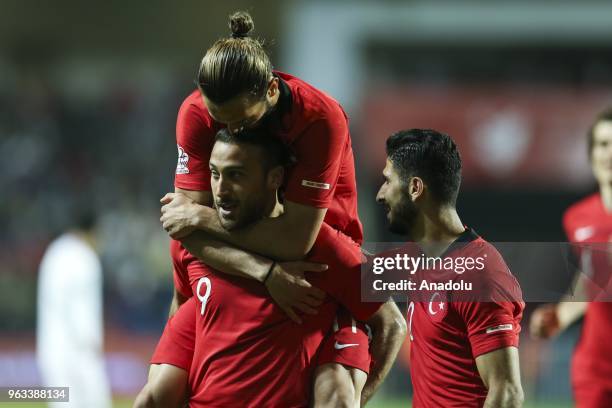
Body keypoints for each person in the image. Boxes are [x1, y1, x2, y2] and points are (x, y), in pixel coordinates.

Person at [158, 10, 382, 404]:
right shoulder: (195, 114)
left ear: (272, 92)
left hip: (320, 266)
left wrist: (202, 215)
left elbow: (295, 239)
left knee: (336, 395)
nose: (234, 131)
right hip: (247, 260)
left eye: (243, 120)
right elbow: (183, 231)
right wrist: (265, 272)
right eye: (219, 119)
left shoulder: (320, 119)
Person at [135, 128, 406, 407]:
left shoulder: (321, 247)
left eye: (236, 175)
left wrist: (359, 400)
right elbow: (182, 310)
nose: (221, 190)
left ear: (274, 178)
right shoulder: (195, 240)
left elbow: (392, 323)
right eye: (215, 174)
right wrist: (266, 273)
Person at [375, 129, 524, 407]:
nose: (380, 194)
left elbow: (507, 393)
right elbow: (356, 267)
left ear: (415, 188)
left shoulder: (479, 275)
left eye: (387, 181)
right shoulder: (419, 256)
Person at [530, 108, 612, 407]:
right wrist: (560, 317)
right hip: (595, 367)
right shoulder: (577, 218)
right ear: (592, 155)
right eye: (603, 144)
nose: (609, 153)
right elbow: (594, 279)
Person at [36, 209, 112, 408]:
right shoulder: (84, 257)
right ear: (91, 231)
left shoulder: (54, 251)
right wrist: (93, 344)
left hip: (51, 348)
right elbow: (83, 311)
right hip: (81, 351)